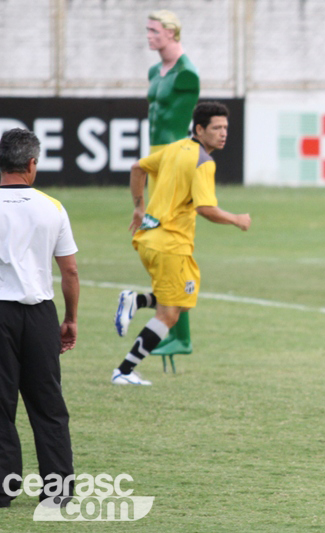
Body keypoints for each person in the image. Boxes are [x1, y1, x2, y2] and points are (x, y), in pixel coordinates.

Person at [111, 102, 251, 385]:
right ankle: (123, 372)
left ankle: (137, 301)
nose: (223, 133)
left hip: (150, 240)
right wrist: (236, 219)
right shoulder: (204, 162)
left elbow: (137, 168)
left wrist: (139, 208)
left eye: (225, 127)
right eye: (217, 128)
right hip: (170, 245)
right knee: (169, 315)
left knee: (182, 303)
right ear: (199, 129)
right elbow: (206, 209)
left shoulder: (175, 148)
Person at [0, 129, 79, 507]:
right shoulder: (52, 207)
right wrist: (70, 318)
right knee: (48, 404)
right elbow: (70, 271)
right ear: (31, 164)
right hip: (40, 313)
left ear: (0, 163)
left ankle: (0, 490)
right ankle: (58, 490)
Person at [114, 9, 201, 355]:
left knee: (173, 241)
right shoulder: (155, 71)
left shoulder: (187, 74)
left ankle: (181, 336)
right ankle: (173, 329)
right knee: (159, 241)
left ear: (172, 33)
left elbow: (186, 125)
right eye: (148, 30)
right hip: (157, 159)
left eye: (154, 31)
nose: (149, 36)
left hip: (175, 160)